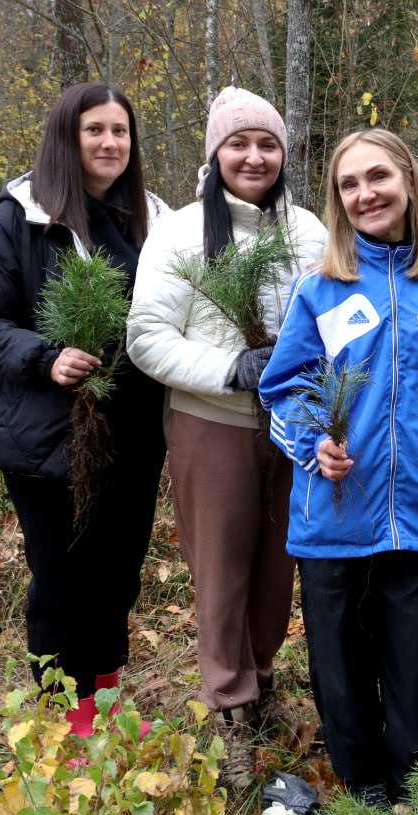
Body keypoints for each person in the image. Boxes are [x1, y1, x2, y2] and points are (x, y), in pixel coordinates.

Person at [259, 129, 418, 807]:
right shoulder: (321, 289)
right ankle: (363, 792)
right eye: (349, 184)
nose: (366, 194)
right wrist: (313, 442)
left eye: (378, 178)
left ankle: (414, 790)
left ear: (410, 183)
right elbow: (285, 387)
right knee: (342, 670)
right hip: (334, 515)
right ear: (338, 200)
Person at [0, 82, 170, 737]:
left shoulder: (154, 221)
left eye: (120, 132)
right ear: (66, 139)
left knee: (117, 576)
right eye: (94, 130)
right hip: (48, 436)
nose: (110, 143)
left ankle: (102, 703)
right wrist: (46, 356)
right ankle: (62, 720)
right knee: (61, 582)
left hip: (133, 431)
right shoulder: (22, 216)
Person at [126, 88, 327, 734]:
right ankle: (230, 705)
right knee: (221, 571)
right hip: (213, 423)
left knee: (277, 572)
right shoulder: (181, 232)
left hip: (295, 431)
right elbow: (147, 336)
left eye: (267, 144)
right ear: (215, 154)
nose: (254, 156)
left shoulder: (310, 231)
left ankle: (262, 682)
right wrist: (229, 369)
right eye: (238, 143)